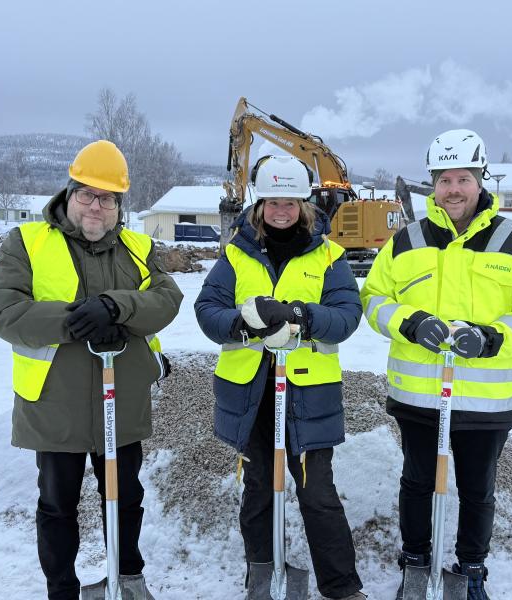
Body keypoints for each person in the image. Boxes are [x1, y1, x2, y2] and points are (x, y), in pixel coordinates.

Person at [360, 129, 512, 600]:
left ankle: (471, 569)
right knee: (416, 482)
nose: (453, 189)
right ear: (433, 183)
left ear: (480, 180)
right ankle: (414, 562)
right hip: (418, 395)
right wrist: (410, 324)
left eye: (463, 179)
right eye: (444, 179)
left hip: (485, 398)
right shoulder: (406, 239)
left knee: (477, 489)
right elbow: (374, 298)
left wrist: (493, 337)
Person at [0, 140, 183, 600]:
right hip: (56, 406)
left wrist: (115, 307)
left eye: (108, 199)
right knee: (57, 505)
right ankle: (62, 591)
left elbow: (167, 299)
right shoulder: (26, 243)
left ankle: (128, 581)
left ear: (119, 206)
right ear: (69, 193)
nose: (97, 206)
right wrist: (78, 320)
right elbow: (4, 312)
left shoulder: (138, 248)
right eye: (88, 194)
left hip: (122, 400)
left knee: (125, 498)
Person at [194, 155, 366, 600]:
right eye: (273, 202)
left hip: (309, 395)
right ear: (260, 205)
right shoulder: (236, 254)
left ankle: (342, 586)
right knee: (258, 489)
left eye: (290, 203)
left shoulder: (329, 255)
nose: (282, 211)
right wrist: (243, 324)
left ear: (304, 205)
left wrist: (301, 316)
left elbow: (347, 315)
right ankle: (262, 576)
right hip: (250, 394)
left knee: (317, 492)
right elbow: (207, 310)